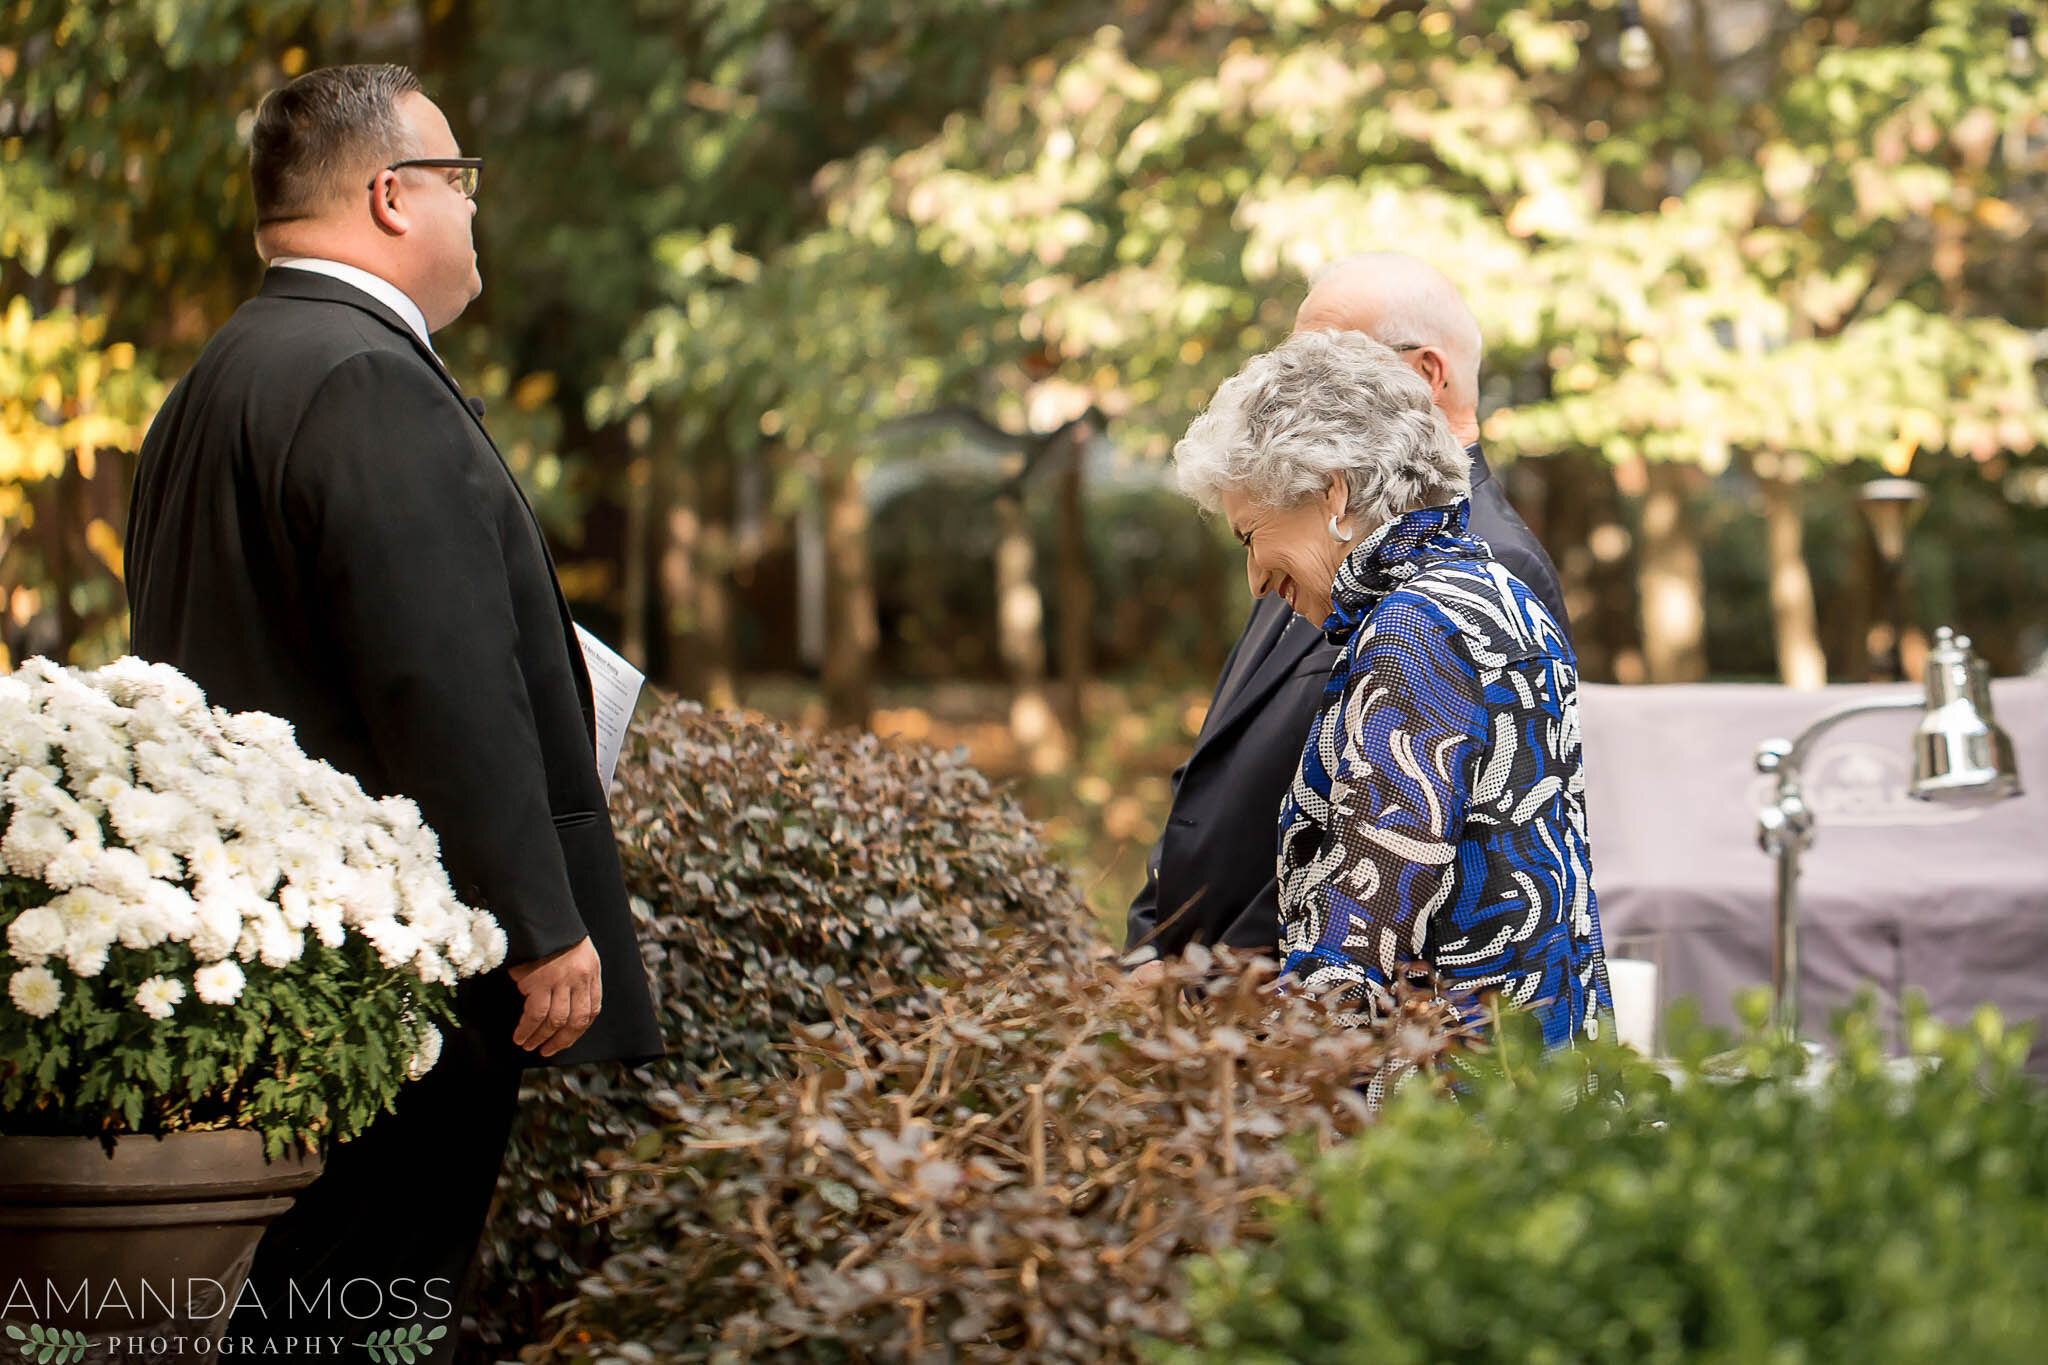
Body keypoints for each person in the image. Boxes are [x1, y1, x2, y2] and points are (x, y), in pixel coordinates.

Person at [124, 64, 663, 1360]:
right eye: (460, 181)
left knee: (306, 1306)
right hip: (402, 956)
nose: (475, 214)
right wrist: (540, 920)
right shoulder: (361, 376)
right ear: (390, 196)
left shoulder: (219, 379)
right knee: (366, 1304)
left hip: (273, 943)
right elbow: (437, 670)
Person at [1125, 252, 1567, 967]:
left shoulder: (1423, 611)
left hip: (1412, 1059)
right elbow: (1221, 771)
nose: (1300, 388)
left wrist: (1209, 997)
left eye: (1333, 360)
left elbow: (1365, 936)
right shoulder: (1354, 559)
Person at [1171, 329, 1612, 1046]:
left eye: (1250, 535)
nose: (1255, 578)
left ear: (1332, 493)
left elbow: (1358, 939)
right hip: (1532, 1084)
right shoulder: (1494, 590)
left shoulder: (1414, 628)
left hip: (1442, 1116)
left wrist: (1272, 1100)